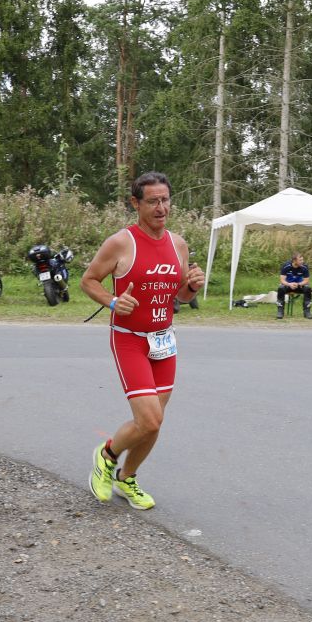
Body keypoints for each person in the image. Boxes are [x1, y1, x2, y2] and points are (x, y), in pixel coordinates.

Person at [80, 172, 205, 511]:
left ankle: (126, 478)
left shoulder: (178, 244)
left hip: (164, 341)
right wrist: (112, 301)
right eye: (152, 201)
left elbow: (179, 296)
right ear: (136, 203)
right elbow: (89, 280)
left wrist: (192, 286)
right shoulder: (121, 243)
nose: (161, 207)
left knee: (153, 423)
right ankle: (106, 456)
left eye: (165, 200)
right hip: (129, 340)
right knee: (149, 419)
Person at [277, 253, 312, 320]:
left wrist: (298, 284)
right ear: (294, 261)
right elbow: (282, 280)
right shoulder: (286, 266)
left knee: (308, 288)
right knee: (281, 288)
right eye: (300, 260)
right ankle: (280, 312)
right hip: (288, 285)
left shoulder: (304, 267)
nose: (302, 261)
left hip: (299, 285)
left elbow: (306, 281)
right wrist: (289, 284)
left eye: (302, 260)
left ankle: (307, 312)